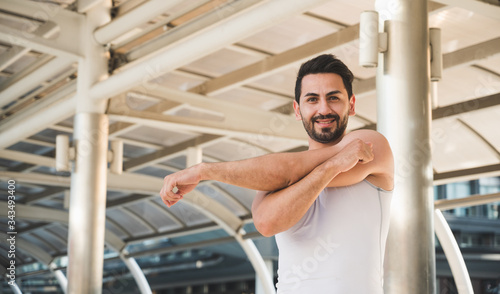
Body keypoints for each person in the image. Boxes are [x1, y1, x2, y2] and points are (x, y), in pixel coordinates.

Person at [160, 54, 394, 293]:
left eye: (333, 98)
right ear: (297, 109)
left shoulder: (370, 145)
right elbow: (266, 223)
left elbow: (290, 170)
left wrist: (204, 172)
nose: (323, 109)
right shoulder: (278, 176)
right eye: (312, 99)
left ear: (351, 104)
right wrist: (332, 167)